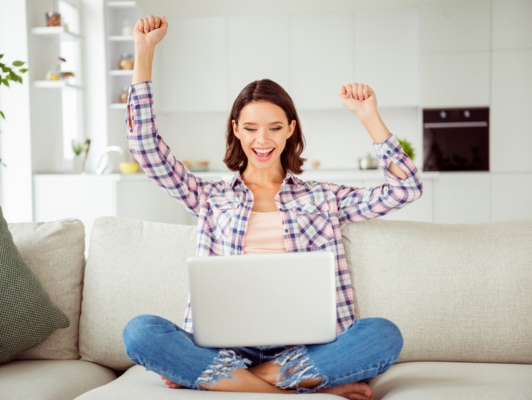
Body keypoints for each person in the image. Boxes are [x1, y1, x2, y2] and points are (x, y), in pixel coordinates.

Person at [123, 15, 423, 400]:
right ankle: (300, 388)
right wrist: (144, 51)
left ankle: (227, 381)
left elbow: (406, 188)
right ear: (235, 129)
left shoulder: (323, 197)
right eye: (250, 128)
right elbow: (145, 148)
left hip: (307, 346)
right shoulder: (209, 196)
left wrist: (368, 117)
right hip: (224, 347)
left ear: (291, 129)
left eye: (274, 128)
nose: (262, 140)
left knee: (382, 335)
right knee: (140, 331)